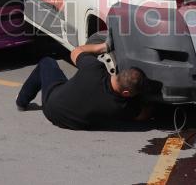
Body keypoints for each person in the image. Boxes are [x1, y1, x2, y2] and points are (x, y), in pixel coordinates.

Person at [16, 42, 149, 130]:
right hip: (71, 123)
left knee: (47, 62)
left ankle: (21, 102)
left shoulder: (94, 68)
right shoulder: (123, 108)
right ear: (126, 94)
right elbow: (143, 115)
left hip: (52, 106)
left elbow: (75, 51)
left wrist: (102, 47)